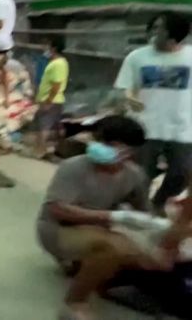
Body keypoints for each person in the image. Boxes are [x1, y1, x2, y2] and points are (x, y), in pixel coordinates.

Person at [35, 115, 177, 320]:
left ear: (131, 151)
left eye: (111, 144)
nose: (101, 147)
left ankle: (85, 268)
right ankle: (74, 303)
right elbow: (57, 209)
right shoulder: (74, 167)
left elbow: (144, 212)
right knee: (114, 247)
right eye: (100, 141)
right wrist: (112, 216)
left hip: (96, 228)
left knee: (149, 256)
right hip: (57, 229)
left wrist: (163, 229)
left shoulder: (134, 175)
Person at [114, 12, 192, 214]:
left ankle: (159, 201)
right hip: (145, 125)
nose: (155, 32)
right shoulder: (137, 56)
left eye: (161, 28)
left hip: (182, 126)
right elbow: (126, 86)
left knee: (182, 172)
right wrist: (130, 97)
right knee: (141, 174)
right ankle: (140, 210)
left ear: (175, 33)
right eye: (154, 27)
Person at [32, 36, 69, 159]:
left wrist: (48, 101)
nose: (46, 49)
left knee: (44, 126)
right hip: (54, 100)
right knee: (55, 126)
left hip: (51, 100)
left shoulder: (58, 64)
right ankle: (59, 149)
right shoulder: (58, 62)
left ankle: (40, 151)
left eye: (48, 46)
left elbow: (56, 85)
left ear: (53, 48)